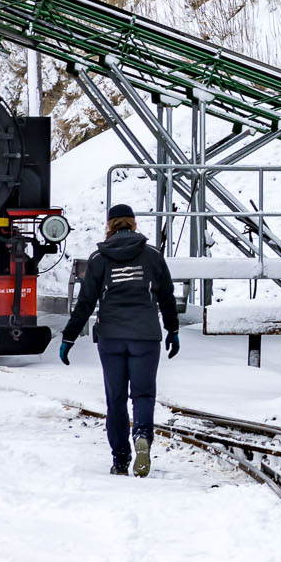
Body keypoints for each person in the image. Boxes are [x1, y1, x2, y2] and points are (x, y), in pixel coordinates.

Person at [59, 204, 180, 476]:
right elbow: (167, 297)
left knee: (115, 399)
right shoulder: (152, 256)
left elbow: (86, 303)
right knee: (144, 394)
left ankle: (120, 460)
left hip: (111, 338)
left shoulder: (100, 259)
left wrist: (69, 337)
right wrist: (173, 330)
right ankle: (142, 436)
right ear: (134, 225)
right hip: (146, 337)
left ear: (110, 226)